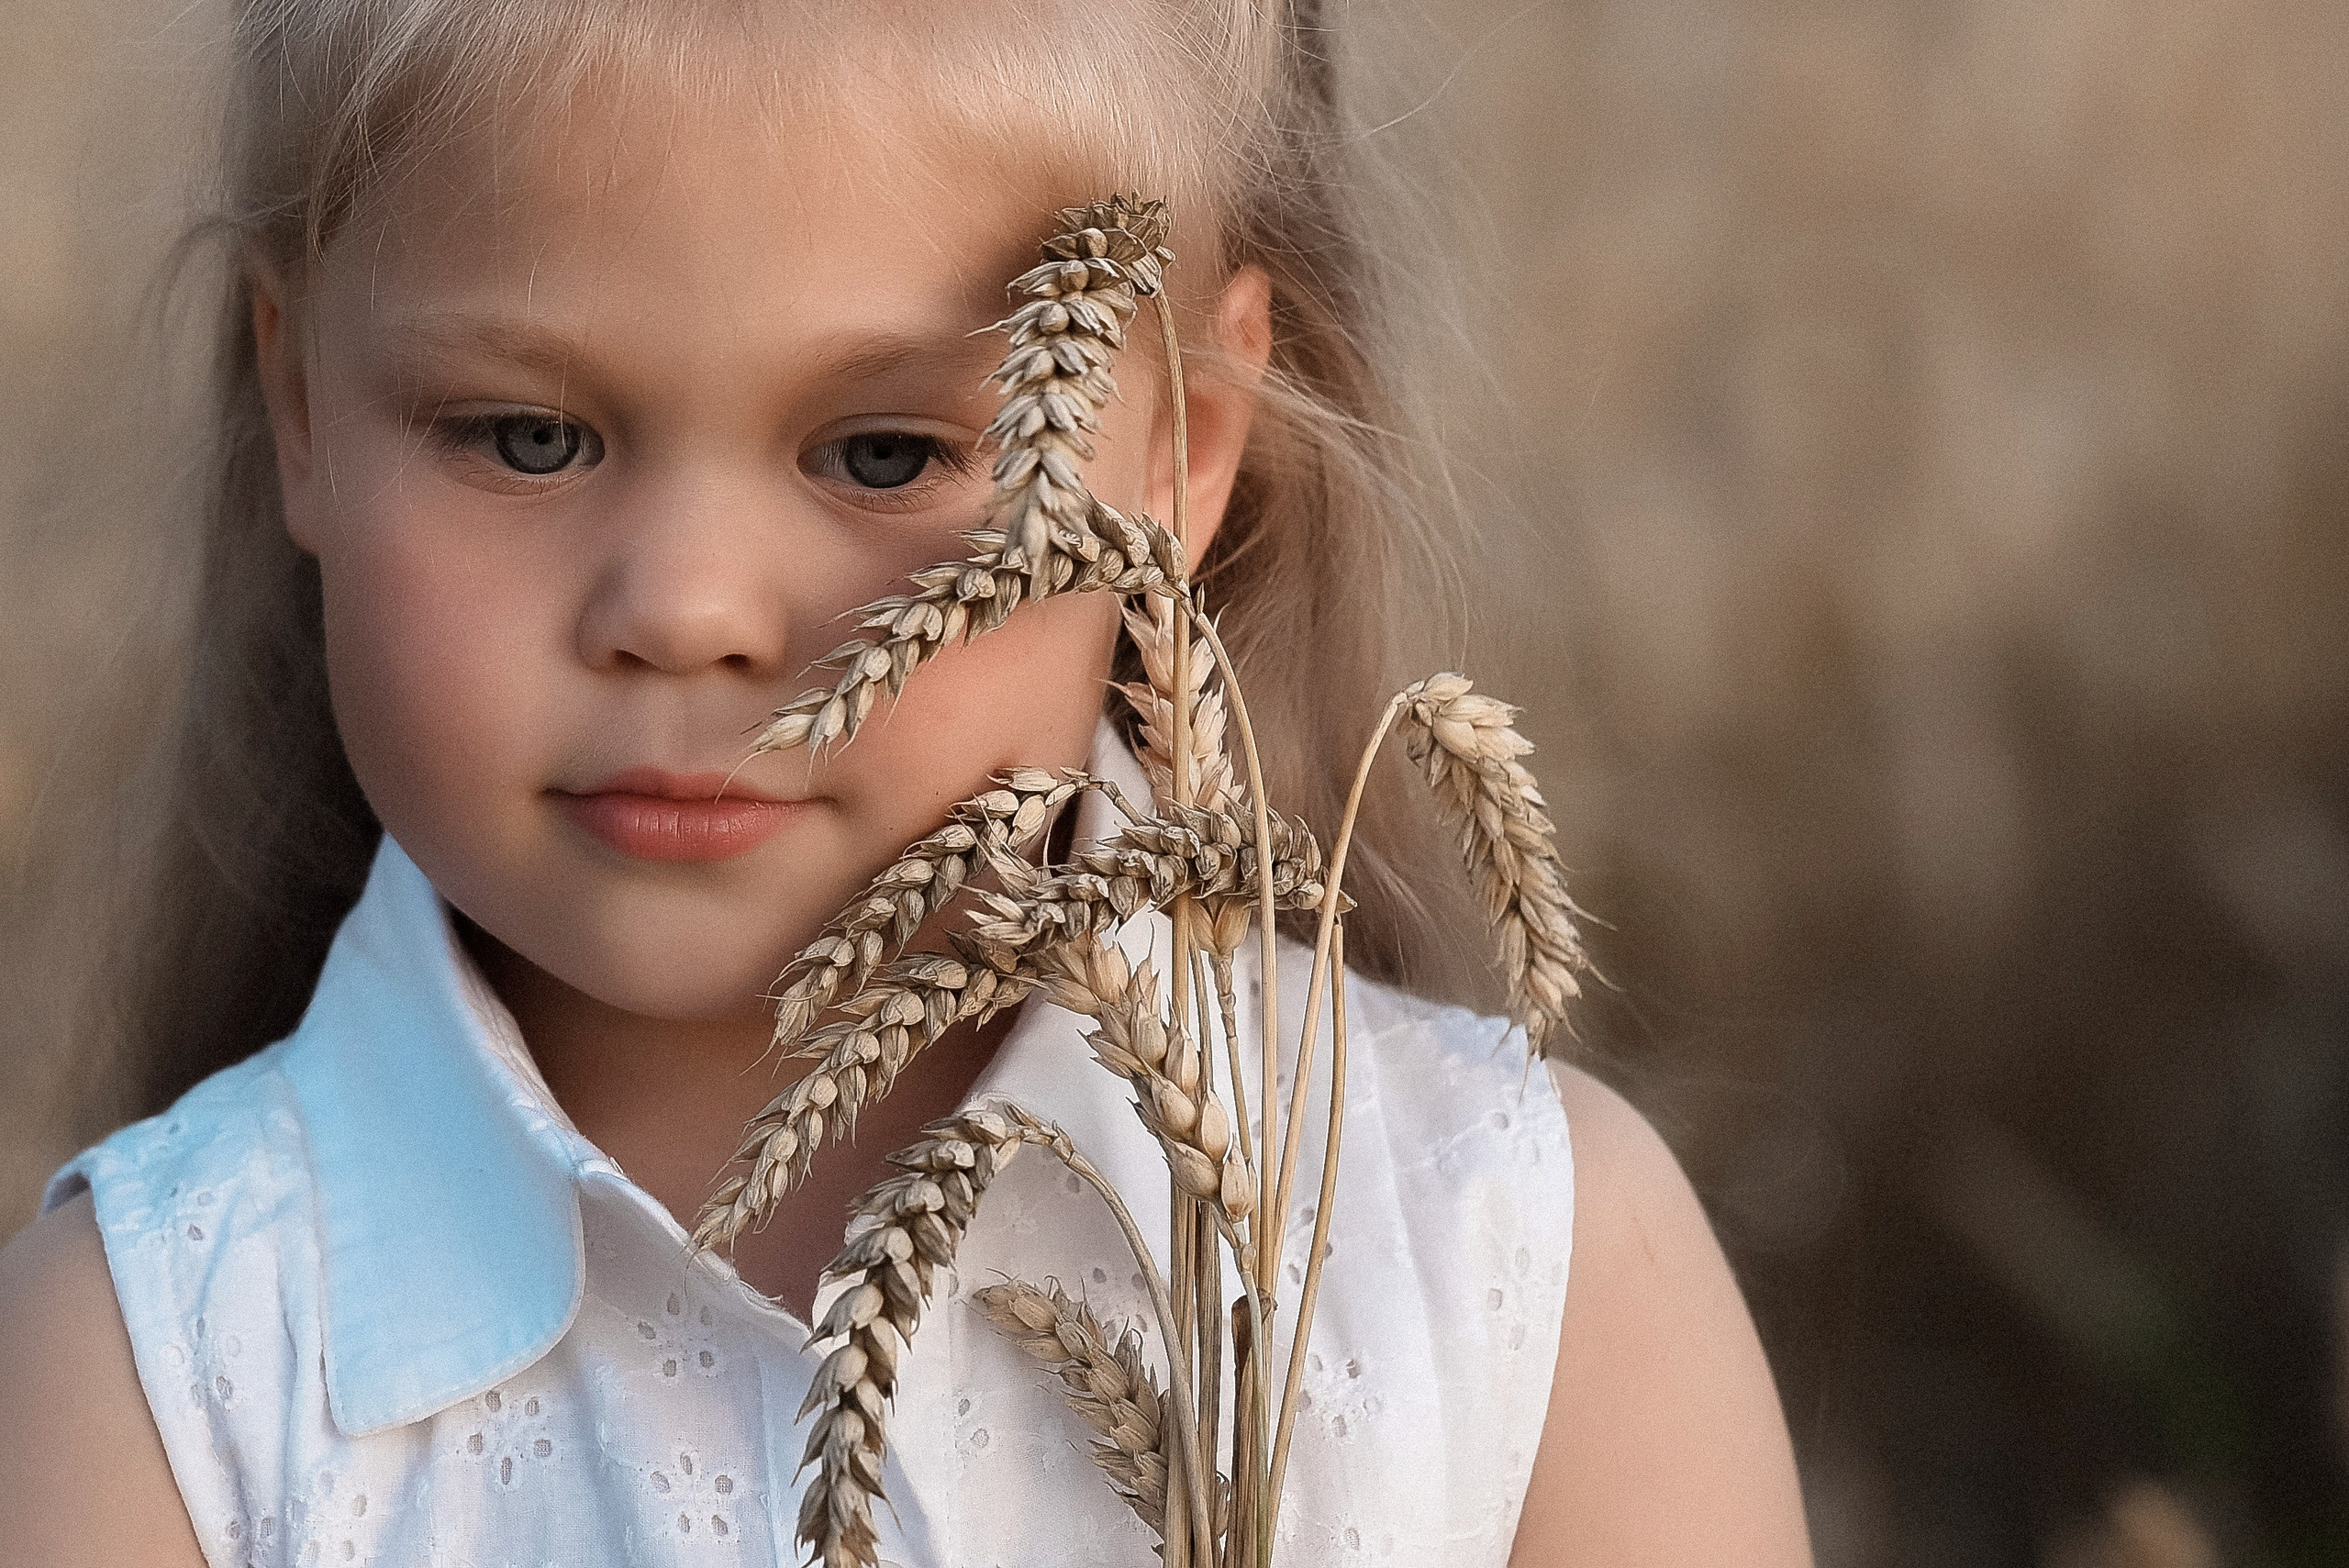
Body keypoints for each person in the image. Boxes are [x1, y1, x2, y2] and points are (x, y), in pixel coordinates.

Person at [0, 2, 1811, 1562]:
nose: (687, 612)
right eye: (526, 436)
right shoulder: (158, 1366)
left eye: (883, 451)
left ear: (1184, 444)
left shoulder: (1513, 1274)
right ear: (300, 401)